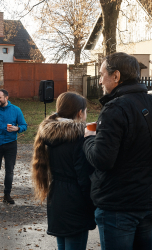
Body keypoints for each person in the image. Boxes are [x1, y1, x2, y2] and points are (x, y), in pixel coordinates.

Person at [83, 52, 152, 250]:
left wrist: (90, 138)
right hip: (147, 203)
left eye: (102, 74)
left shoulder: (115, 108)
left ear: (116, 76)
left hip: (119, 208)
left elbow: (102, 160)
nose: (100, 81)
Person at [32, 92, 96, 250]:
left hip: (56, 197)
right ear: (80, 113)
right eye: (85, 111)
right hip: (75, 201)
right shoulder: (79, 137)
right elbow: (83, 177)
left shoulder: (48, 134)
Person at [0, 89, 27, 205]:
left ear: (6, 98)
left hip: (10, 144)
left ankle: (7, 195)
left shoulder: (16, 110)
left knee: (9, 170)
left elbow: (24, 125)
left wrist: (17, 129)